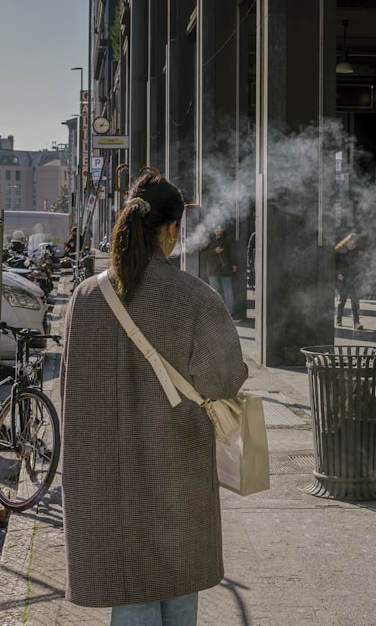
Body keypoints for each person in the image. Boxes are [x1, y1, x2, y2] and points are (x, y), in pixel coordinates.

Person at [60, 172, 248, 624]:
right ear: (171, 230)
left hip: (102, 480)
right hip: (175, 473)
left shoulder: (84, 298)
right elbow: (223, 380)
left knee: (129, 590)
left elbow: (69, 388)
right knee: (177, 585)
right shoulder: (196, 299)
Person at [201, 225, 237, 316]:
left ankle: (230, 312)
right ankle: (214, 312)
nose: (218, 230)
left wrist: (234, 264)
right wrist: (214, 251)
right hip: (213, 269)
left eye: (220, 228)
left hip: (226, 268)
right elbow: (203, 253)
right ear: (213, 229)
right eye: (216, 228)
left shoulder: (227, 239)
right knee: (214, 292)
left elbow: (232, 252)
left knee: (228, 291)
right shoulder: (208, 239)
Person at [334, 232, 365, 330]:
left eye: (354, 243)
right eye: (350, 242)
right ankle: (338, 319)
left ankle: (356, 323)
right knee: (341, 300)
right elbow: (334, 264)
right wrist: (338, 273)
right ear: (347, 241)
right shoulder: (339, 250)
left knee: (355, 301)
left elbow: (362, 265)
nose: (352, 244)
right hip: (342, 279)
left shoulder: (358, 252)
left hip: (354, 278)